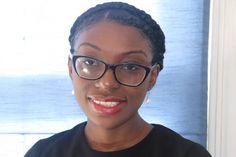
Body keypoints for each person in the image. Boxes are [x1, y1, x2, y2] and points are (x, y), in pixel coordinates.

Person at [24, 2, 211, 157]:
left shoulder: (187, 154)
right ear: (71, 68)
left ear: (152, 77)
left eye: (130, 67)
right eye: (90, 61)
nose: (107, 83)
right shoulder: (44, 153)